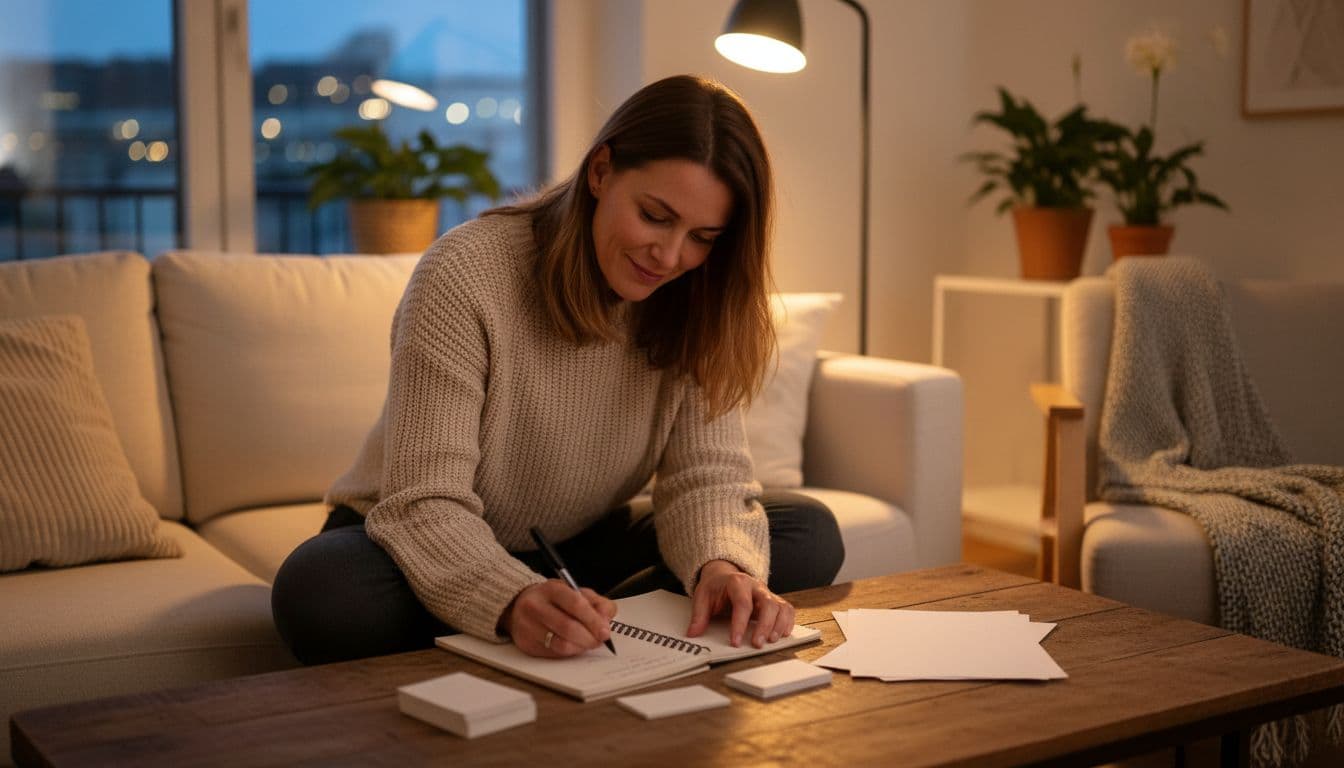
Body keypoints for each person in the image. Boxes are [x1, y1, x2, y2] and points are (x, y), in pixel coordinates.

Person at [271, 74, 845, 666]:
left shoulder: (695, 296)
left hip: (571, 545)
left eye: (702, 236)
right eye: (654, 216)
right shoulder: (466, 273)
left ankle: (573, 624)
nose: (670, 257)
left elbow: (707, 477)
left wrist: (721, 566)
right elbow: (423, 500)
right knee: (322, 592)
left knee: (806, 530)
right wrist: (510, 596)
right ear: (600, 171)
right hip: (413, 533)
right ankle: (539, 620)